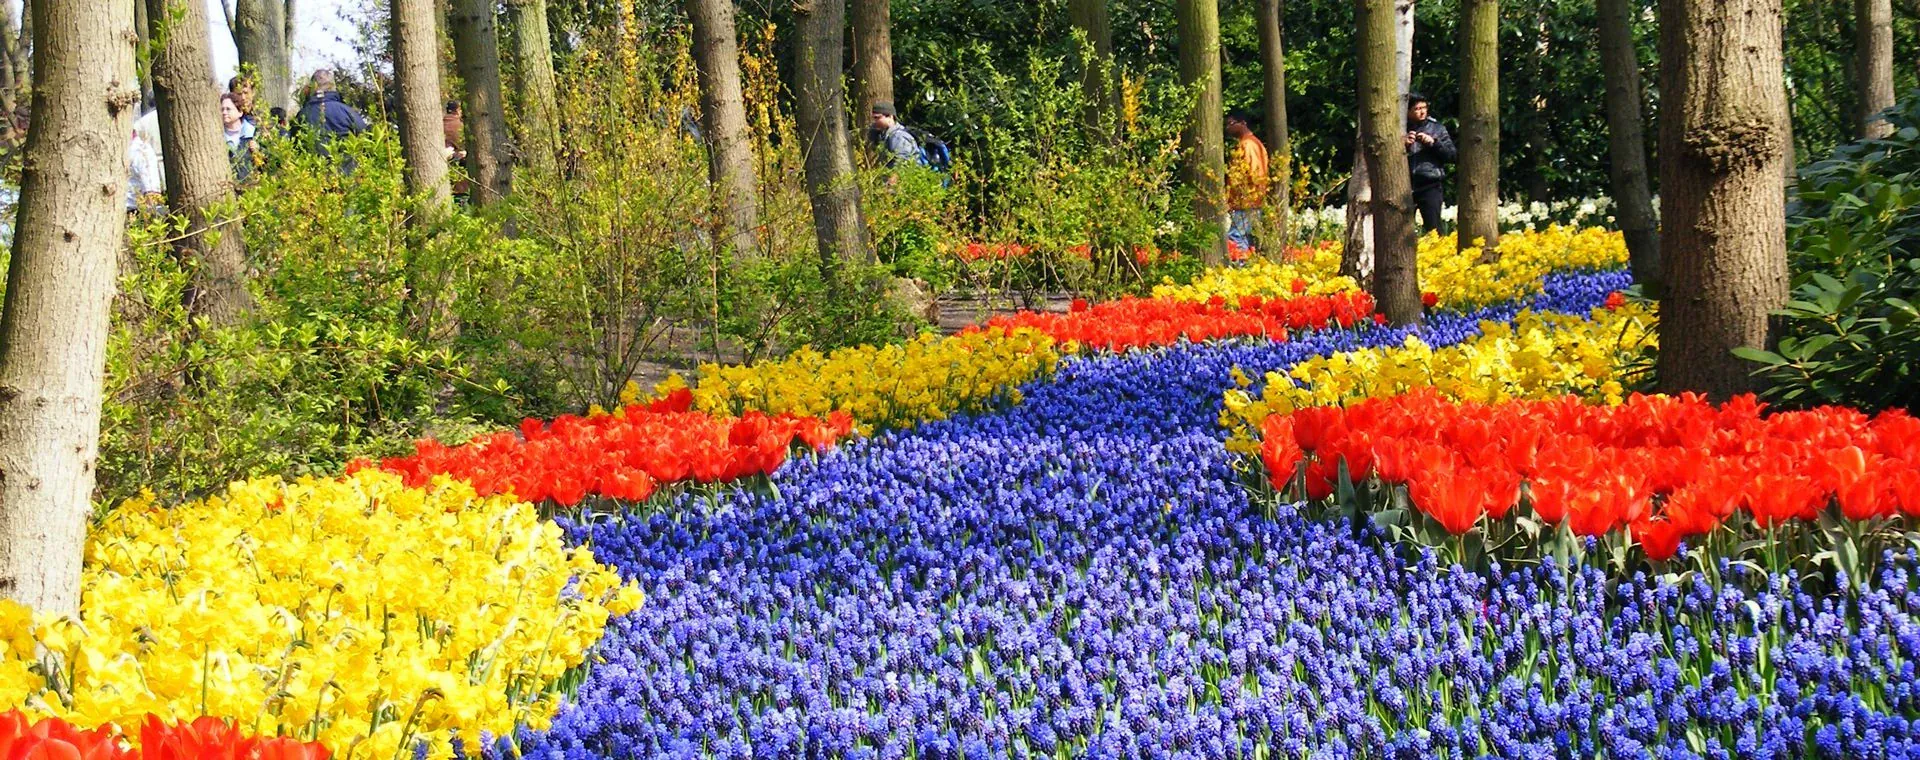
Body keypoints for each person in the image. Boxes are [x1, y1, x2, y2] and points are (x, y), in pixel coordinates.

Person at [1404, 93, 1455, 232]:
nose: (1422, 112)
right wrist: (1402, 144)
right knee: (1400, 231)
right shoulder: (1399, 128)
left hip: (1429, 184)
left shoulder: (1437, 128)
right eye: (1417, 109)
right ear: (1407, 111)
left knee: (1434, 228)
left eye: (1424, 108)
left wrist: (1433, 143)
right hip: (1403, 185)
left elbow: (1451, 155)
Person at [1224, 111, 1271, 256]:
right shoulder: (1252, 143)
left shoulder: (1248, 144)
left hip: (1246, 202)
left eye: (1230, 124)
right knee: (1246, 240)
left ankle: (1239, 269)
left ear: (1243, 123)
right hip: (1248, 202)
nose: (1227, 128)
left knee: (1236, 239)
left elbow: (1255, 174)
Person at [296, 69, 370, 141]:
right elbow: (365, 137)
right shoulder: (347, 112)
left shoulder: (302, 115)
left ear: (312, 88)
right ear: (333, 86)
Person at [868, 101, 924, 167]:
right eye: (873, 118)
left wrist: (891, 177)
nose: (874, 121)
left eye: (877, 118)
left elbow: (901, 166)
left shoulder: (898, 137)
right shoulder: (885, 135)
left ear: (890, 116)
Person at [221, 93, 259, 183]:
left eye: (228, 109)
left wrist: (258, 150)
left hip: (250, 189)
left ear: (240, 112)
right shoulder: (217, 136)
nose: (224, 112)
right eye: (222, 109)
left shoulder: (254, 133)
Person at [443, 101, 470, 201]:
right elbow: (463, 146)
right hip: (457, 170)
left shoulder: (440, 123)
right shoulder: (459, 126)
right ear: (458, 110)